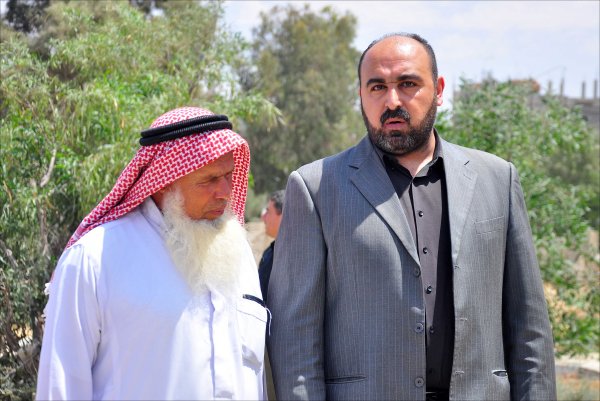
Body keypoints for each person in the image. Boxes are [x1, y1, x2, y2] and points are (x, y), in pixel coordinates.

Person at [267, 33, 556, 401]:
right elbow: (295, 341)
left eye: (407, 84)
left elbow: (530, 332)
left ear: (438, 90)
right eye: (377, 87)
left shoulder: (497, 179)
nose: (392, 101)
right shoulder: (316, 188)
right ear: (361, 95)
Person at [36, 107, 268, 400]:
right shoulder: (95, 259)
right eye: (209, 179)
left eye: (228, 175)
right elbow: (61, 388)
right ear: (164, 181)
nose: (224, 191)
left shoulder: (238, 252)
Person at [258, 189, 285, 303]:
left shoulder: (296, 258)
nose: (263, 217)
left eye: (268, 211)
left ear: (283, 216)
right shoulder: (269, 253)